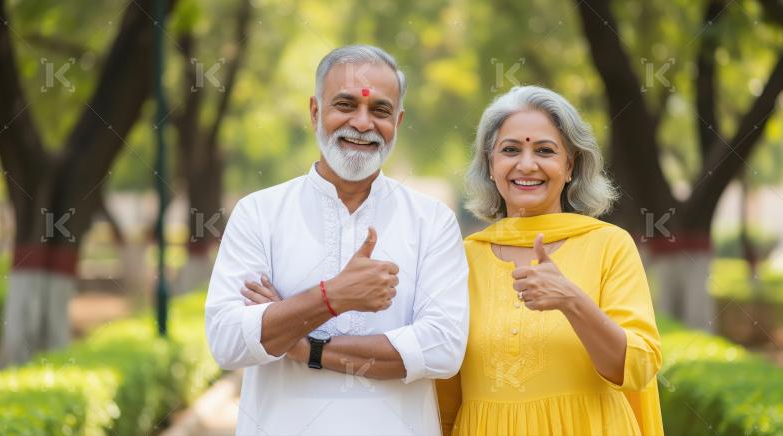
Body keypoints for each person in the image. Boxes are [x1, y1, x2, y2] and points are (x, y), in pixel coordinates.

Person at [205, 45, 469, 435]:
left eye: (380, 110)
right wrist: (332, 297)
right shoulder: (259, 213)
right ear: (315, 111)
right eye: (345, 105)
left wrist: (303, 344)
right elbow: (228, 341)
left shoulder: (432, 222)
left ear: (397, 121)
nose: (362, 123)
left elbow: (443, 350)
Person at [437, 85, 663, 435]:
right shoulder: (463, 258)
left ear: (569, 165)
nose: (527, 165)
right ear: (491, 164)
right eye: (510, 150)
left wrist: (572, 301)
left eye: (545, 150)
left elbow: (638, 368)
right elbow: (444, 391)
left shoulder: (609, 245)